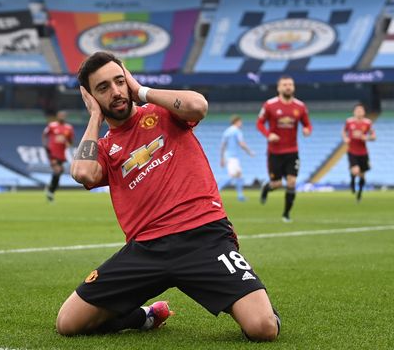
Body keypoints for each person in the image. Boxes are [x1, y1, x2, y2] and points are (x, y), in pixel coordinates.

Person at [56, 51, 279, 342]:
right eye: (103, 88)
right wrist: (95, 117)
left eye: (119, 81)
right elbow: (83, 173)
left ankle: (257, 302)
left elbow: (198, 106)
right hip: (146, 250)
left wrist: (142, 91)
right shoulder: (105, 147)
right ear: (91, 97)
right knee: (68, 323)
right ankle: (145, 317)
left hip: (204, 238)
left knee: (263, 328)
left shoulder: (163, 113)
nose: (116, 92)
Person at [256, 76, 312, 222]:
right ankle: (267, 188)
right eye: (285, 84)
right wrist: (269, 135)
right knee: (277, 184)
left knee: (292, 182)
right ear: (279, 88)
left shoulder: (300, 106)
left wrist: (307, 129)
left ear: (293, 87)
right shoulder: (269, 105)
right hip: (275, 152)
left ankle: (286, 214)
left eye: (290, 84)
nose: (288, 87)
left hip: (292, 151)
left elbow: (307, 124)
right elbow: (260, 123)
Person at [342, 103, 376, 202]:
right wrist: (345, 138)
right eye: (357, 110)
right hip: (352, 151)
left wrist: (367, 137)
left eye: (361, 110)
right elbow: (344, 132)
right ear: (354, 112)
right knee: (355, 170)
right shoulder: (349, 122)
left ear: (364, 112)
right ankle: (352, 181)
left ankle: (359, 194)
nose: (359, 112)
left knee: (362, 175)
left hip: (363, 153)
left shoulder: (368, 123)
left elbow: (374, 136)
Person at [219, 115, 255, 201]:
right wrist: (249, 152)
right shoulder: (237, 131)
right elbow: (241, 144)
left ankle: (240, 196)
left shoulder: (227, 131)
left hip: (228, 156)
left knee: (239, 175)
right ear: (236, 122)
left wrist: (222, 158)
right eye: (240, 122)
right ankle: (217, 189)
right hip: (232, 157)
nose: (241, 124)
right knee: (233, 176)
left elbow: (223, 145)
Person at [42, 110, 74, 202]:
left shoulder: (68, 128)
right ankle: (50, 191)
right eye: (61, 115)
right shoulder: (52, 125)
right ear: (57, 116)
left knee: (59, 172)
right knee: (57, 170)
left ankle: (50, 189)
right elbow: (44, 135)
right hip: (52, 152)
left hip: (61, 153)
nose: (62, 117)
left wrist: (68, 143)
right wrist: (45, 146)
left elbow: (71, 140)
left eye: (64, 115)